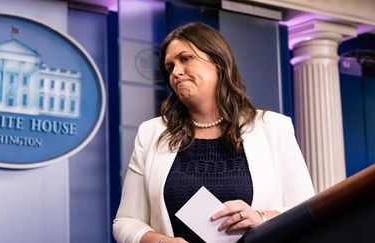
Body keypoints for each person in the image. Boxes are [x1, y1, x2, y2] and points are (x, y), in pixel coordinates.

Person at [113, 22, 315, 243]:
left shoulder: (274, 127)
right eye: (170, 67)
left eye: (185, 59)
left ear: (218, 62)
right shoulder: (150, 133)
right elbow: (125, 222)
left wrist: (261, 217)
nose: (176, 72)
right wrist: (163, 242)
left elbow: (305, 212)